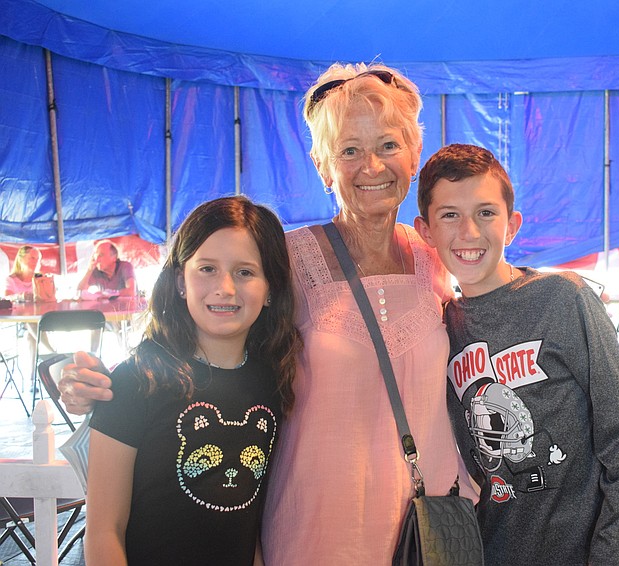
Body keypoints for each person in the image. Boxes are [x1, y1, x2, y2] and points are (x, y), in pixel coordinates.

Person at [59, 63, 475, 564]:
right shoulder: (288, 258)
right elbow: (207, 331)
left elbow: (494, 315)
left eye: (388, 145)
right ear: (323, 166)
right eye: (349, 150)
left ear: (413, 156)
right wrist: (97, 383)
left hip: (424, 530)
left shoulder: (438, 255)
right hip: (314, 531)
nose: (372, 166)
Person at [415, 144, 619, 565]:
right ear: (425, 231)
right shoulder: (440, 329)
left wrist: (610, 556)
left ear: (512, 225)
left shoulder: (564, 299)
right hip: (490, 550)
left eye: (486, 213)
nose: (469, 232)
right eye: (450, 215)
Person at [84, 196, 300, 565]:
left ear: (270, 291)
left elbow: (250, 528)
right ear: (180, 281)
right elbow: (104, 529)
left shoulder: (273, 381)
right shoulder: (138, 379)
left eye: (246, 272)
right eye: (207, 269)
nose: (226, 288)